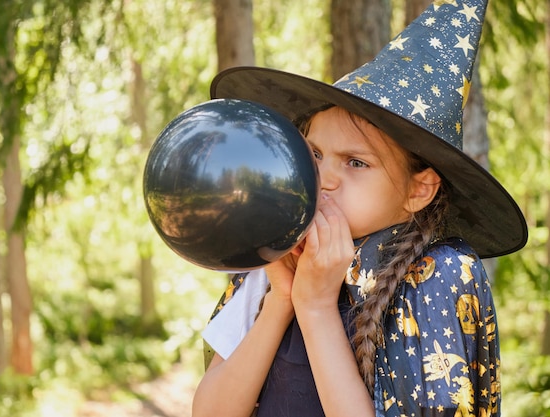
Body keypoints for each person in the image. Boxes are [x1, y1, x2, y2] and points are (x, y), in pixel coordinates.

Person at [192, 0, 527, 416]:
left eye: (356, 163)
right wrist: (282, 298)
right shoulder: (274, 258)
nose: (325, 178)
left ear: (419, 190)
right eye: (314, 153)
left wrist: (315, 307)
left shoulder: (437, 276)